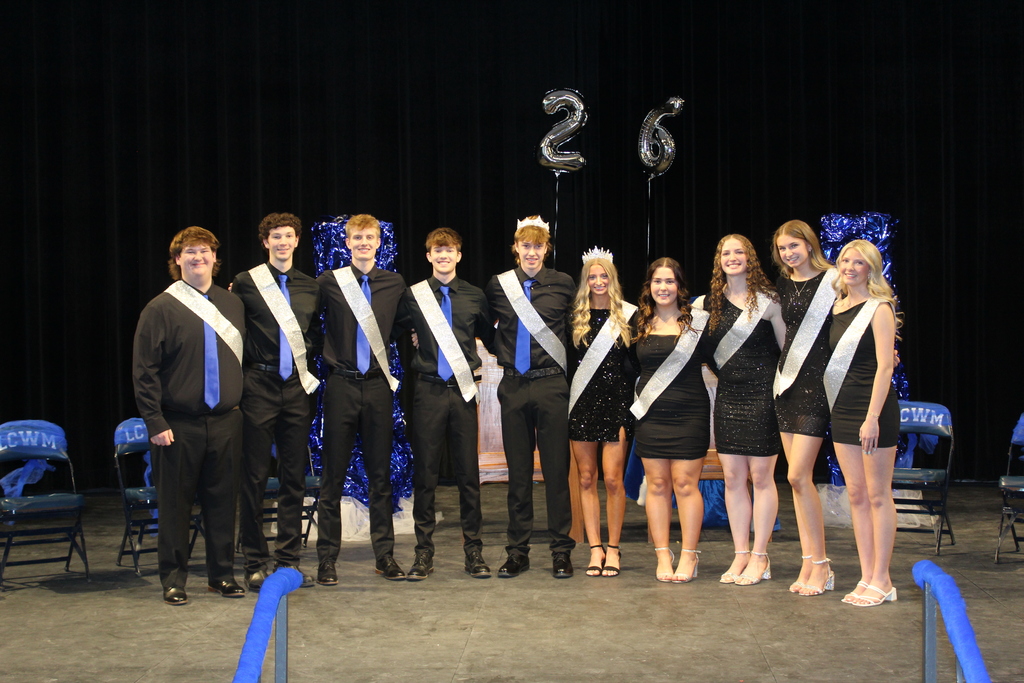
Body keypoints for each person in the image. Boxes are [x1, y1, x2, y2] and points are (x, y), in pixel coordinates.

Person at [132, 226, 246, 605]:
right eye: (190, 252)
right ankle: (174, 579)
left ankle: (221, 576)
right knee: (176, 506)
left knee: (222, 503)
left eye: (205, 251)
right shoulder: (160, 308)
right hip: (177, 425)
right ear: (177, 259)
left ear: (216, 257)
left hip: (227, 421)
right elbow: (144, 370)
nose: (198, 257)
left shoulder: (232, 304)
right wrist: (154, 421)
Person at [394, 227, 495, 580]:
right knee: (426, 476)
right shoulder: (413, 296)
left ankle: (474, 552)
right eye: (437, 251)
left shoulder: (474, 295)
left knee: (469, 474)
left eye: (449, 250)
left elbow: (489, 334)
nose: (443, 256)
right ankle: (423, 554)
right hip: (429, 391)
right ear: (428, 256)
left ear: (459, 255)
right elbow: (397, 327)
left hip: (464, 391)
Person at [232, 213, 323, 591]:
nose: (282, 242)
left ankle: (288, 562)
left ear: (297, 241)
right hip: (258, 383)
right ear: (265, 242)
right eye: (275, 236)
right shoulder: (246, 283)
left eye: (288, 235)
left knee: (293, 478)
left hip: (296, 387)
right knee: (253, 477)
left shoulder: (310, 286)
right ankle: (254, 561)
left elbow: (315, 333)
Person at [316, 214, 408, 582]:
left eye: (370, 237)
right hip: (341, 384)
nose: (364, 243)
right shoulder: (328, 282)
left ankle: (384, 555)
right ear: (348, 242)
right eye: (358, 237)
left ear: (379, 242)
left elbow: (408, 321)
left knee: (380, 476)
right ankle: (326, 559)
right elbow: (301, 316)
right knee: (332, 477)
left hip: (377, 386)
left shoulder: (394, 283)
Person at [485, 215, 576, 578]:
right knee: (519, 475)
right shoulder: (498, 285)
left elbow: (577, 329)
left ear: (546, 248)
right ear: (516, 248)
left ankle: (560, 551)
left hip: (551, 384)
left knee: (556, 472)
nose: (532, 252)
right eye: (526, 245)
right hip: (513, 386)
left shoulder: (564, 283)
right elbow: (481, 323)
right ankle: (517, 551)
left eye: (538, 246)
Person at [694, 235, 785, 586]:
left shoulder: (770, 302)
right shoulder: (705, 304)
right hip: (729, 398)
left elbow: (787, 354)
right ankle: (741, 554)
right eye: (725, 253)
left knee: (761, 479)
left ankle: (761, 556)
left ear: (751, 258)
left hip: (763, 398)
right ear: (719, 260)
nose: (732, 258)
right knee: (733, 479)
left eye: (739, 252)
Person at [825, 240, 901, 607]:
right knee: (855, 495)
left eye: (858, 262)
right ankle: (866, 574)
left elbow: (886, 366)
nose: (850, 267)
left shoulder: (880, 308)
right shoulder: (837, 306)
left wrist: (872, 418)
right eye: (844, 260)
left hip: (874, 410)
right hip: (842, 407)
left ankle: (883, 579)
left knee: (876, 494)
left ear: (871, 268)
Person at [630, 257, 715, 583]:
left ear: (680, 286)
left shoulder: (699, 324)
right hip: (652, 416)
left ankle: (689, 555)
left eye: (669, 281)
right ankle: (663, 554)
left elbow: (724, 363)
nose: (663, 287)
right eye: (657, 282)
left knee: (685, 485)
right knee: (658, 485)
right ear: (649, 287)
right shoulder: (639, 322)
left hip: (690, 413)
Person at [771, 219, 838, 596]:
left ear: (809, 245)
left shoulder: (833, 280)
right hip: (787, 383)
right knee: (798, 481)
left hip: (817, 385)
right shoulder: (783, 284)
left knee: (798, 475)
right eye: (782, 249)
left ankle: (822, 563)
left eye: (793, 246)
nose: (788, 253)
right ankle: (809, 561)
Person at [568, 247, 637, 577]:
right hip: (581, 405)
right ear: (585, 281)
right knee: (585, 477)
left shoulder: (628, 316)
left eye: (603, 275)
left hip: (616, 406)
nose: (598, 281)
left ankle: (614, 548)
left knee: (612, 479)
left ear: (612, 279)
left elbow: (637, 364)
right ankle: (595, 548)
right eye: (592, 276)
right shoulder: (574, 318)